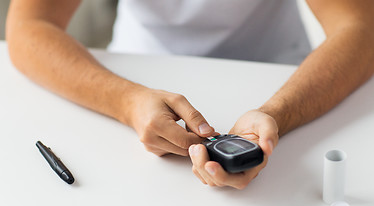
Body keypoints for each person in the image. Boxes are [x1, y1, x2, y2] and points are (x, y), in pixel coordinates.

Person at [6, 0, 374, 189]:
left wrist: (279, 113)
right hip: (135, 70)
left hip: (282, 75)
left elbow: (361, 29)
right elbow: (28, 27)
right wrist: (127, 101)